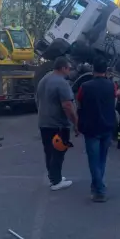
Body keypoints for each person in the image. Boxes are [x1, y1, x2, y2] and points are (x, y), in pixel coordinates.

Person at [76, 57, 120, 202]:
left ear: (93, 70)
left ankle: (99, 190)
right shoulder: (111, 85)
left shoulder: (85, 86)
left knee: (93, 160)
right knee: (102, 159)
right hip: (107, 126)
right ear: (106, 70)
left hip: (91, 128)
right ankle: (96, 185)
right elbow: (114, 100)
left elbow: (79, 102)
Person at [36, 56, 78, 191]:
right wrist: (76, 123)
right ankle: (56, 181)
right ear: (63, 68)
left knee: (49, 151)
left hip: (44, 123)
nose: (70, 71)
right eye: (69, 68)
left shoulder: (45, 79)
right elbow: (67, 106)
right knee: (58, 152)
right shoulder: (61, 83)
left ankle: (53, 176)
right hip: (58, 125)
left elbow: (38, 99)